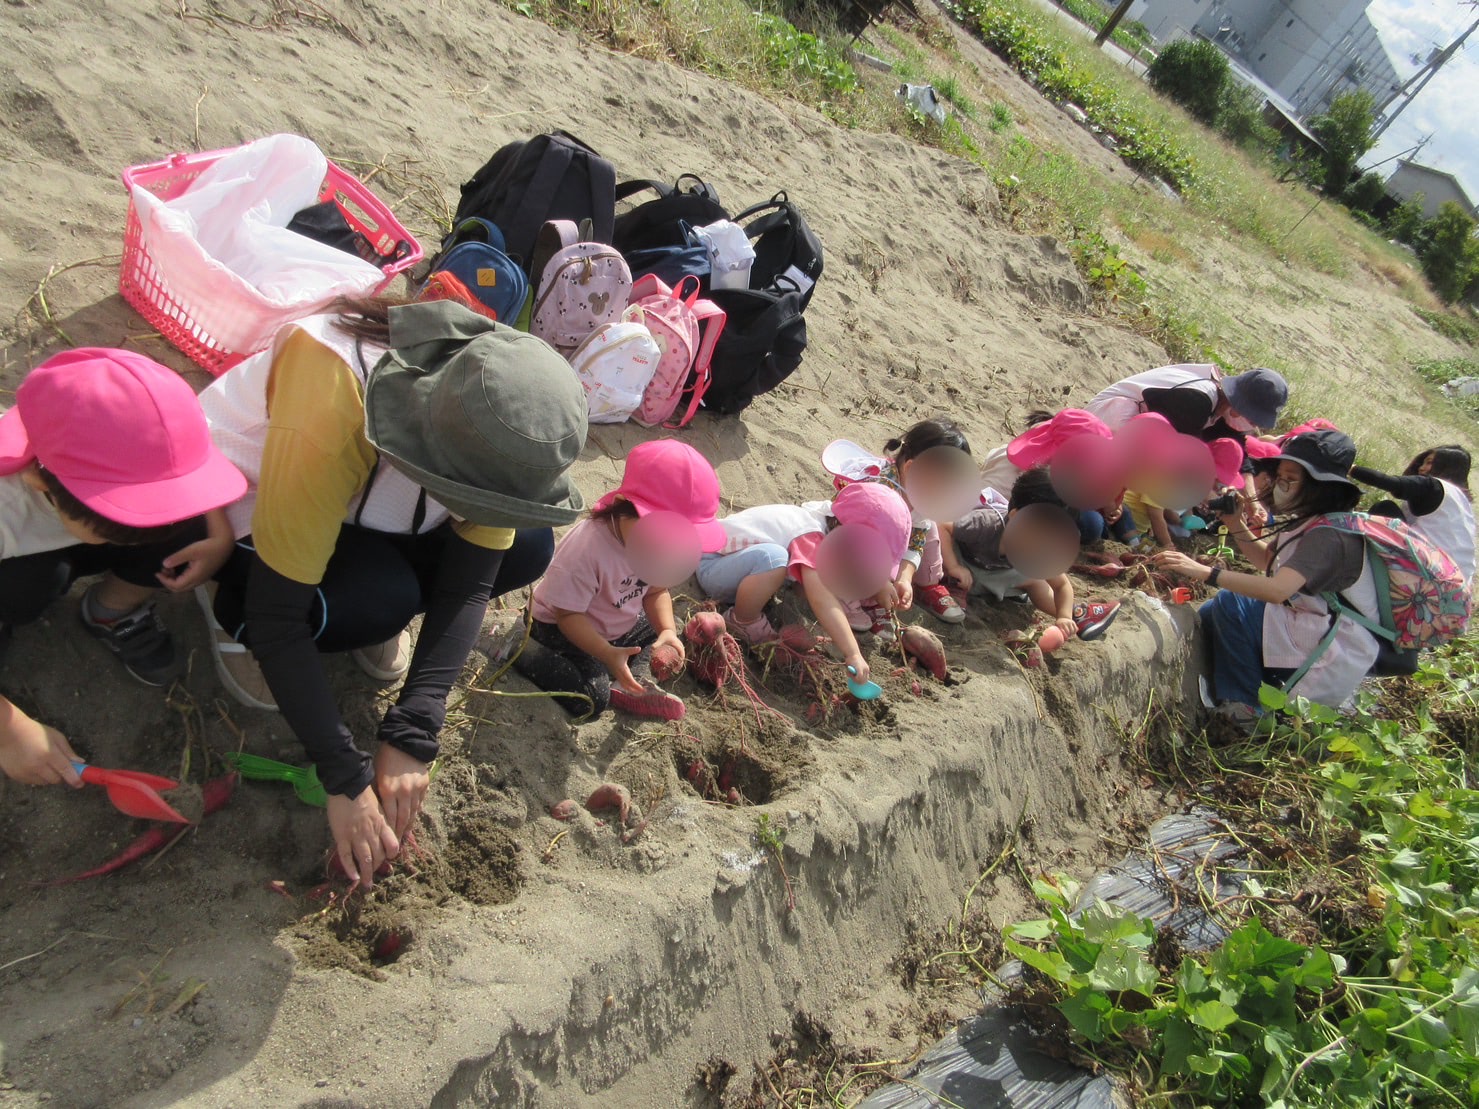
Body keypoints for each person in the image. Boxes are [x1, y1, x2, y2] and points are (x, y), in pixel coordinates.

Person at [196, 296, 587, 888]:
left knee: (527, 546)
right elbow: (278, 616)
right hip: (249, 515)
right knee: (380, 599)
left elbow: (473, 580)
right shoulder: (334, 394)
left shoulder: (495, 414)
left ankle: (372, 606)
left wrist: (415, 728)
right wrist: (345, 779)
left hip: (363, 511)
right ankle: (227, 616)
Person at [0, 348, 246, 786]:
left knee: (189, 524)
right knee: (29, 588)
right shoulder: (6, 503)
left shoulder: (159, 427)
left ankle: (111, 610)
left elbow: (196, 467)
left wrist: (220, 533)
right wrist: (9, 732)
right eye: (123, 522)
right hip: (18, 559)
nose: (156, 527)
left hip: (63, 534)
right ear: (41, 481)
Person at [1154, 430, 1376, 719]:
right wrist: (1235, 523)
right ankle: (1248, 686)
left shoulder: (1329, 536)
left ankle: (1244, 707)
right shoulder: (1313, 523)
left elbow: (1277, 590)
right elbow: (1267, 560)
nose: (1280, 485)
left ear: (1320, 485)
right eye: (1280, 476)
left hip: (1326, 654)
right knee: (1210, 614)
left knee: (1231, 604)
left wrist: (1203, 571)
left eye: (1291, 478)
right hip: (1313, 632)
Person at [514, 440, 726, 721]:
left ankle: (630, 684)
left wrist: (667, 631)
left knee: (653, 630)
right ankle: (517, 650)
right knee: (590, 699)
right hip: (558, 628)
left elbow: (655, 592)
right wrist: (606, 653)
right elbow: (567, 615)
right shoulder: (589, 547)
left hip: (613, 622)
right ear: (622, 505)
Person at [695, 482, 912, 684]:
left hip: (739, 568)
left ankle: (751, 608)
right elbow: (822, 598)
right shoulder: (809, 534)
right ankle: (742, 620)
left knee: (791, 567)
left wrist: (879, 583)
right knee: (775, 558)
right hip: (713, 565)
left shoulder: (829, 519)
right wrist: (852, 652)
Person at [822, 419, 978, 627]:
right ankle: (861, 598)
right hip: (852, 543)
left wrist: (905, 577)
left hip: (896, 539)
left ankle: (928, 585)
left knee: (930, 527)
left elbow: (916, 541)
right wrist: (879, 585)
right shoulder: (880, 496)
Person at [948, 469, 1120, 641]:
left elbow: (1061, 585)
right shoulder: (987, 523)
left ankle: (1077, 615)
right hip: (965, 568)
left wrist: (1064, 616)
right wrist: (953, 566)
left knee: (1037, 582)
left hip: (996, 574)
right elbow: (943, 525)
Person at [1352, 445, 1474, 582]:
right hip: (1457, 582)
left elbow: (1390, 482)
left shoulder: (1435, 487)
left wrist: (1350, 467)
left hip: (1430, 570)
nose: (1421, 468)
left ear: (1445, 467)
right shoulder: (1463, 504)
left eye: (1429, 463)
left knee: (1385, 508)